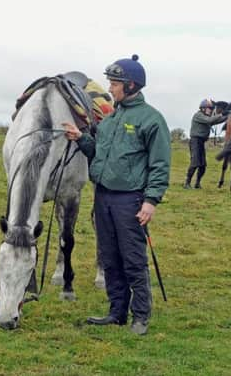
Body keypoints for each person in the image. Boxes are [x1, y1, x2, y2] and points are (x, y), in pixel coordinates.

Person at [62, 55, 171, 335]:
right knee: (109, 257)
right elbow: (97, 152)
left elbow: (160, 165)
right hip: (103, 197)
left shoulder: (152, 119)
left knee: (133, 258)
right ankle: (117, 311)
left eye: (115, 83)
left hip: (131, 200)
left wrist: (150, 201)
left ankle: (141, 316)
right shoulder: (110, 120)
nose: (110, 87)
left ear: (131, 85)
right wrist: (80, 138)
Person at [183, 99, 228, 189]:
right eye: (209, 108)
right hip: (195, 141)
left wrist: (228, 116)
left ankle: (197, 183)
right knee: (195, 162)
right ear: (203, 108)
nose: (210, 110)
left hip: (201, 142)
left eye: (211, 109)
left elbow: (215, 121)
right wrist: (222, 114)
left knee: (203, 165)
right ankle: (187, 183)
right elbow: (210, 120)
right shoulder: (198, 115)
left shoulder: (206, 117)